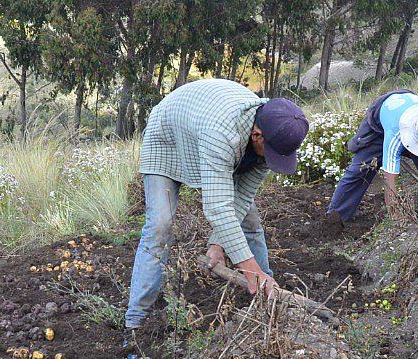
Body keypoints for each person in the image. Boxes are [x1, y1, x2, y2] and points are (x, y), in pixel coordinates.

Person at [124, 78, 309, 330]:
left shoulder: (275, 131)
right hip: (166, 138)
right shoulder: (222, 134)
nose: (272, 160)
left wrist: (217, 245)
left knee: (250, 220)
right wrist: (249, 269)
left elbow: (241, 198)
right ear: (257, 135)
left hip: (203, 131)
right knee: (160, 225)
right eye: (272, 154)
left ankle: (268, 294)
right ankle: (136, 320)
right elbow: (218, 208)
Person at [324, 90, 418, 225]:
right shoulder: (395, 135)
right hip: (379, 126)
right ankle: (336, 218)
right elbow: (389, 181)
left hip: (409, 119)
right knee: (359, 170)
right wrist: (394, 212)